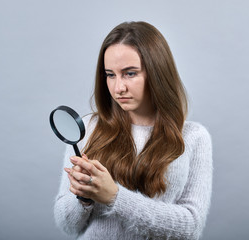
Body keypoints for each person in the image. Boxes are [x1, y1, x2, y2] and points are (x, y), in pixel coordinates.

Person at [54, 21, 213, 240]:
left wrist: (115, 197)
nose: (118, 88)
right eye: (110, 75)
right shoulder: (89, 128)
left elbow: (191, 227)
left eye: (130, 73)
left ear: (157, 73)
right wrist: (83, 198)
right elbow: (68, 226)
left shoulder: (194, 138)